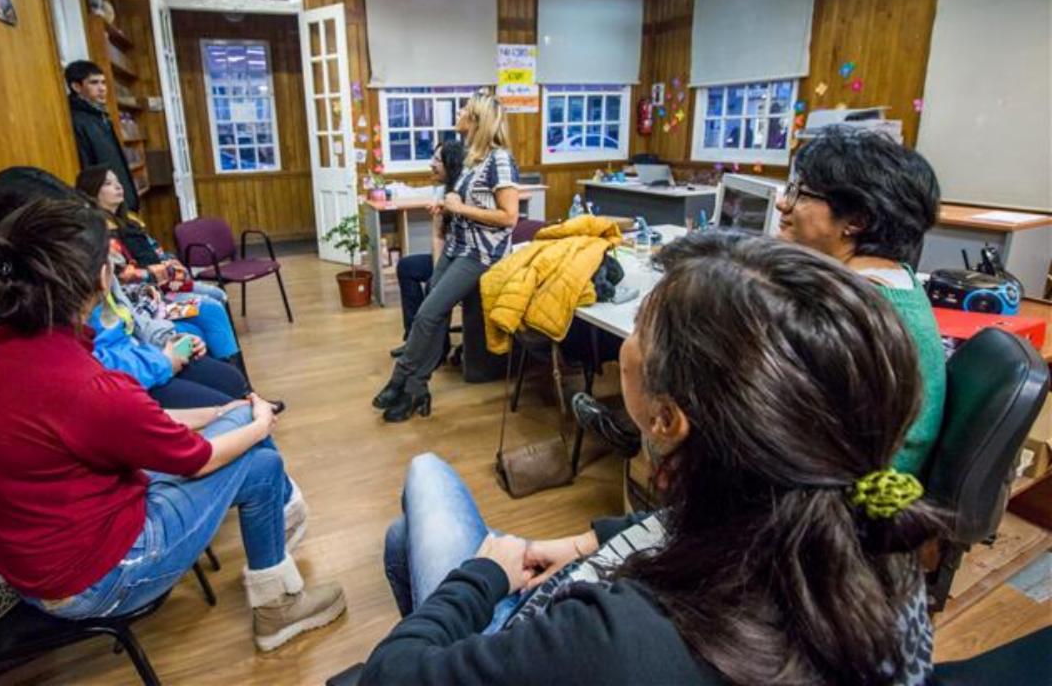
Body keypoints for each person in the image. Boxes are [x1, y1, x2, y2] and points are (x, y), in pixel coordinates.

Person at [363, 231, 942, 685]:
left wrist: (482, 576)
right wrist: (586, 543)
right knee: (403, 536)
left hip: (537, 633)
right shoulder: (879, 545)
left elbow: (386, 678)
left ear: (666, 419)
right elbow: (697, 525)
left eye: (640, 323)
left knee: (425, 477)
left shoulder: (623, 640)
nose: (630, 337)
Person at [0, 198, 345, 652]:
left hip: (32, 562)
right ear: (101, 278)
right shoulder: (84, 383)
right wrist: (261, 422)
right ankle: (277, 600)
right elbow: (196, 459)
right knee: (262, 464)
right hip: (91, 579)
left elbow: (130, 426)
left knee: (238, 423)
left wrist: (224, 413)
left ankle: (277, 547)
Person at [0, 166, 249, 410]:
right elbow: (73, 378)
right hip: (116, 386)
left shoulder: (81, 254)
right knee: (233, 411)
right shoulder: (4, 295)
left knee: (231, 383)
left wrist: (167, 338)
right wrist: (162, 361)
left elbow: (124, 314)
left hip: (138, 361)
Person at [777, 127, 946, 475]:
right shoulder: (895, 280)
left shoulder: (851, 311)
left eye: (801, 194)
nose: (783, 203)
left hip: (845, 491)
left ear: (856, 220)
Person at [373, 95, 519, 422]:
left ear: (477, 120)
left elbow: (509, 217)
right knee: (431, 315)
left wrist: (460, 207)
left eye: (465, 109)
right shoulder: (473, 158)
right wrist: (448, 207)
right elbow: (471, 205)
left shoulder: (500, 159)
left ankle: (400, 380)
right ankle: (417, 390)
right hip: (457, 247)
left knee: (427, 314)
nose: (459, 112)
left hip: (481, 254)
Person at [75, 166, 245, 371]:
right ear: (92, 191)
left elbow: (158, 251)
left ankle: (232, 369)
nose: (118, 187)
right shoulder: (100, 234)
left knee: (217, 295)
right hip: (148, 297)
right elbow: (125, 276)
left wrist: (170, 265)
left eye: (118, 181)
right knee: (211, 307)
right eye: (108, 184)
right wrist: (167, 271)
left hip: (162, 286)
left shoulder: (130, 222)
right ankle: (231, 371)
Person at [390, 140, 467, 358]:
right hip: (446, 257)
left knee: (434, 287)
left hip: (466, 260)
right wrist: (437, 270)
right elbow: (437, 236)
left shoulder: (465, 192)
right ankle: (413, 340)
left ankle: (437, 347)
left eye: (436, 160)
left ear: (451, 164)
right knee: (407, 267)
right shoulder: (440, 191)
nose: (431, 164)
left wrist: (438, 278)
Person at [66, 60, 139, 212]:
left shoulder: (99, 115)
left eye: (103, 82)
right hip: (105, 206)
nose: (102, 88)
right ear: (76, 87)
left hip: (121, 201)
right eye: (94, 83)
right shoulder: (76, 120)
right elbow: (88, 170)